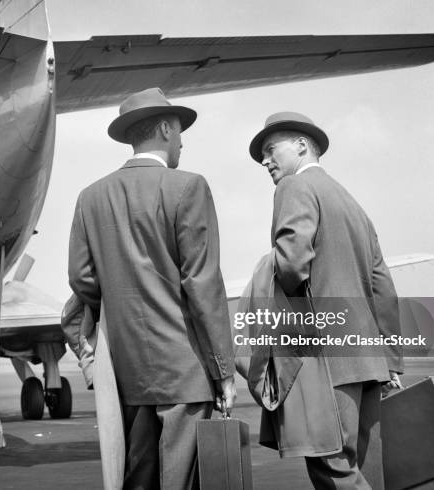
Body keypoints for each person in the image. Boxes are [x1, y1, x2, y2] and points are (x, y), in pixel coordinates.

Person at [68, 87, 236, 490]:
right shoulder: (188, 186)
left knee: (137, 478)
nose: (182, 141)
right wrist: (224, 371)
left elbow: (82, 280)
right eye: (179, 131)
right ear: (164, 128)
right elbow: (202, 284)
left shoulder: (90, 197)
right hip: (184, 371)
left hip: (126, 375)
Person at [248, 112, 403, 489]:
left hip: (325, 358)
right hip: (367, 360)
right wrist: (391, 360)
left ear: (302, 145)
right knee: (361, 469)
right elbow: (382, 283)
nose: (265, 161)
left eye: (271, 150)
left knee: (333, 469)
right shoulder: (351, 202)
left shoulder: (293, 188)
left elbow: (292, 265)